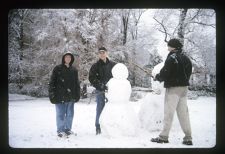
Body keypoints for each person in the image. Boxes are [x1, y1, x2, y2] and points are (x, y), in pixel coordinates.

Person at [151, 38, 193, 145]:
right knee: (183, 113)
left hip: (173, 89)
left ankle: (163, 137)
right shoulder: (186, 58)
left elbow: (165, 73)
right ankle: (188, 138)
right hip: (184, 88)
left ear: (173, 47)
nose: (167, 47)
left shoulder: (172, 58)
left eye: (169, 45)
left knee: (169, 113)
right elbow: (188, 72)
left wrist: (157, 77)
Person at [49, 51, 80, 138]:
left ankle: (68, 129)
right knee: (60, 114)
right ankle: (60, 130)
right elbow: (52, 82)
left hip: (71, 97)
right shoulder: (57, 69)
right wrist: (52, 94)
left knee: (70, 114)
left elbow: (77, 83)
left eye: (69, 57)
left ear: (72, 59)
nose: (68, 59)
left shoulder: (74, 70)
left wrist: (77, 94)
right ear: (63, 58)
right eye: (66, 57)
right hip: (59, 96)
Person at [89, 47, 116, 135]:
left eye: (103, 52)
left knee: (111, 109)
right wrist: (100, 85)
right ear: (98, 54)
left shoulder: (113, 65)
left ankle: (110, 126)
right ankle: (98, 126)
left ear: (106, 53)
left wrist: (111, 86)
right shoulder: (95, 66)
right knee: (100, 108)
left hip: (111, 91)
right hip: (100, 91)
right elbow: (92, 78)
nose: (102, 54)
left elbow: (117, 76)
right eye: (100, 53)